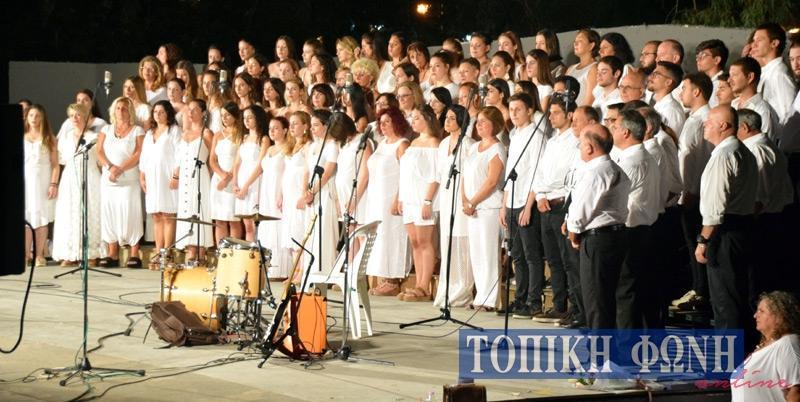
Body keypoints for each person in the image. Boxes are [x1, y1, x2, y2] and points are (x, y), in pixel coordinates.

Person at [695, 106, 758, 335]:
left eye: (710, 121)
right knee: (737, 296)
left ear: (723, 125)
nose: (705, 124)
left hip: (725, 233)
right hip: (742, 228)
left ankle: (729, 354)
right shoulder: (743, 151)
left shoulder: (723, 156)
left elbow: (715, 208)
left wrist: (703, 241)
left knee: (725, 300)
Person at [565, 123, 630, 330]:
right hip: (615, 236)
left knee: (596, 300)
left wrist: (573, 235)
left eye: (580, 143)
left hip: (598, 240)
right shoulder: (615, 169)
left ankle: (600, 350)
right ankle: (610, 349)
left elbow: (580, 212)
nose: (579, 148)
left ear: (590, 147)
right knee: (607, 298)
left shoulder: (595, 173)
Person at [610, 110, 662, 328]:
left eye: (615, 126)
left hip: (631, 230)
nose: (611, 130)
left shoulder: (631, 162)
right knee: (639, 290)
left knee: (625, 291)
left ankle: (625, 344)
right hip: (645, 228)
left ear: (626, 132)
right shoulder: (645, 157)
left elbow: (614, 198)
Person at [499, 93, 548, 319]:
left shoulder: (536, 136)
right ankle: (520, 298)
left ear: (530, 111)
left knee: (531, 255)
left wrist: (528, 206)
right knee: (517, 254)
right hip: (512, 200)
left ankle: (533, 301)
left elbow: (538, 173)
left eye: (518, 109)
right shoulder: (514, 134)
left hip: (527, 202)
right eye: (511, 109)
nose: (514, 113)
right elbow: (511, 172)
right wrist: (504, 204)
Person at [736, 109, 794, 299]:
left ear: (744, 127)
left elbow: (759, 195)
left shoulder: (757, 150)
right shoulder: (762, 146)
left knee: (759, 277)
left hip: (764, 221)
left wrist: (747, 223)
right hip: (767, 220)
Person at [672, 73, 714, 310]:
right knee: (690, 244)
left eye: (685, 88)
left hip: (695, 193)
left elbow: (700, 159)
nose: (681, 93)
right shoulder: (694, 118)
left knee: (696, 243)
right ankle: (698, 288)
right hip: (688, 191)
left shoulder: (703, 120)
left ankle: (701, 292)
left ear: (697, 91)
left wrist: (691, 190)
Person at [462, 106, 506, 312]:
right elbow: (465, 175)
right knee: (477, 253)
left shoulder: (497, 149)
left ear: (494, 125)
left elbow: (491, 181)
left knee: (488, 253)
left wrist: (473, 202)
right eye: (477, 121)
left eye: (483, 122)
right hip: (472, 207)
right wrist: (465, 200)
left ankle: (490, 299)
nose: (478, 125)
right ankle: (480, 294)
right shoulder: (473, 147)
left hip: (488, 207)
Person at [366, 107, 412, 296]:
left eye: (387, 122)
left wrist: (398, 198)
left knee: (391, 235)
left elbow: (405, 174)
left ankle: (392, 279)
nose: (383, 126)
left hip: (391, 197)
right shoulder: (382, 144)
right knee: (379, 236)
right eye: (381, 122)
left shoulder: (402, 145)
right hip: (376, 196)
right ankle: (383, 277)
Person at [397, 106, 441, 302]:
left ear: (427, 119)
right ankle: (418, 284)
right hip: (409, 199)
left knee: (425, 241)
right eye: (412, 118)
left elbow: (436, 175)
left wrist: (427, 200)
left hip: (423, 198)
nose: (412, 122)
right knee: (415, 242)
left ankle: (424, 285)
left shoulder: (433, 143)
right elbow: (405, 174)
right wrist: (400, 198)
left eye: (416, 118)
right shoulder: (413, 143)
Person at [433, 105, 475, 308]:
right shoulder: (443, 144)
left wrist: (466, 198)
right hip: (446, 197)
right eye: (446, 118)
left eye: (452, 118)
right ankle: (447, 288)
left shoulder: (468, 144)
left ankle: (462, 290)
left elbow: (470, 174)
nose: (447, 121)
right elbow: (439, 174)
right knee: (448, 241)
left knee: (462, 241)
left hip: (462, 196)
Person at [96, 97, 145, 268]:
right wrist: (110, 167)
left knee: (131, 213)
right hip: (109, 179)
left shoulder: (137, 130)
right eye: (118, 108)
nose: (121, 111)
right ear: (113, 110)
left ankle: (134, 253)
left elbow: (139, 153)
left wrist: (121, 169)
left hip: (129, 180)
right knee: (109, 213)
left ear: (130, 111)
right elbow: (99, 151)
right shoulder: (106, 129)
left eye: (124, 108)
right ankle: (112, 253)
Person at [52, 104, 103, 266]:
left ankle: (91, 253)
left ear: (86, 117)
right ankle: (71, 253)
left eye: (78, 115)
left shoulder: (94, 137)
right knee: (70, 214)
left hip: (90, 176)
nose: (75, 118)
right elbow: (61, 159)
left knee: (89, 212)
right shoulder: (66, 137)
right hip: (70, 178)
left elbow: (99, 160)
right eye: (72, 115)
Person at [730, 291, 800, 402]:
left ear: (780, 315)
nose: (755, 316)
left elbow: (796, 392)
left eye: (761, 311)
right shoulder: (762, 348)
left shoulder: (787, 343)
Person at [139, 101, 180, 269]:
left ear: (168, 113)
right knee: (156, 215)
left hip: (167, 176)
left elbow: (179, 154)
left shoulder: (174, 131)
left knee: (167, 214)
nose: (158, 114)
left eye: (161, 111)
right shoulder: (150, 133)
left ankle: (167, 253)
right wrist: (142, 176)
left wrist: (176, 175)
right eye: (155, 111)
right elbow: (144, 157)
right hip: (152, 178)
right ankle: (158, 251)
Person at [174, 100, 214, 263]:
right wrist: (176, 175)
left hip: (200, 175)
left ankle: (201, 251)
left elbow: (212, 159)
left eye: (194, 110)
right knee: (186, 208)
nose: (190, 113)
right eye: (188, 110)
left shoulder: (207, 133)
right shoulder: (184, 134)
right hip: (185, 176)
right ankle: (190, 249)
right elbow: (180, 159)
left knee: (199, 208)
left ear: (203, 113)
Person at [302, 110, 340, 278]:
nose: (312, 129)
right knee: (311, 231)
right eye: (311, 126)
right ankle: (311, 270)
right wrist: (305, 191)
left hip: (324, 192)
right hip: (312, 193)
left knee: (324, 230)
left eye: (316, 125)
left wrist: (313, 191)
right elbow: (306, 171)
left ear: (326, 126)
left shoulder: (332, 145)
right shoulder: (312, 146)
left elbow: (328, 172)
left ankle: (325, 270)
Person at [258, 116, 293, 279]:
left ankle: (281, 268)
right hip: (267, 191)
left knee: (278, 225)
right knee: (267, 226)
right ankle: (268, 265)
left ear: (285, 130)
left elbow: (288, 173)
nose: (272, 131)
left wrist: (282, 194)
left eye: (276, 128)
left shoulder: (288, 148)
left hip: (279, 190)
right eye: (270, 128)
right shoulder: (270, 149)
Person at [23, 105, 58, 267]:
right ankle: (25, 254)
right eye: (31, 115)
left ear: (42, 118)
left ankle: (39, 255)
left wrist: (53, 184)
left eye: (37, 116)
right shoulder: (21, 137)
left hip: (43, 182)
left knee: (42, 218)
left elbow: (55, 165)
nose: (34, 119)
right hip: (26, 182)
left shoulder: (49, 138)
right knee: (26, 218)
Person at [233, 105, 271, 241]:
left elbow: (260, 166)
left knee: (255, 224)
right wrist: (235, 183)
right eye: (244, 118)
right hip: (242, 181)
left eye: (250, 117)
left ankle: (257, 251)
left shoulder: (264, 139)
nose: (246, 121)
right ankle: (249, 251)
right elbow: (237, 163)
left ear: (257, 119)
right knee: (247, 225)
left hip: (255, 182)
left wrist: (246, 187)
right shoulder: (244, 138)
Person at [750, 23, 796, 134]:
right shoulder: (766, 71)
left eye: (759, 40)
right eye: (753, 40)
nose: (753, 45)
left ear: (774, 43)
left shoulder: (779, 73)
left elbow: (790, 114)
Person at [282, 111, 313, 280]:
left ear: (305, 126)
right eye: (291, 123)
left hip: (298, 194)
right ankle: (295, 271)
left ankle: (302, 271)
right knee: (292, 232)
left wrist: (303, 193)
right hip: (289, 194)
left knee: (299, 231)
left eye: (295, 123)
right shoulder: (291, 146)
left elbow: (308, 171)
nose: (292, 127)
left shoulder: (308, 147)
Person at [209, 102, 243, 242]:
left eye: (227, 115)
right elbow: (212, 160)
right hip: (218, 179)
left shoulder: (241, 135)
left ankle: (234, 251)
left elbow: (239, 160)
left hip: (233, 179)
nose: (224, 118)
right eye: (222, 115)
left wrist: (227, 178)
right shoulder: (217, 135)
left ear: (235, 116)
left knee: (233, 219)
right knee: (219, 220)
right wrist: (221, 176)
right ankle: (221, 251)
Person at [730, 57, 779, 142]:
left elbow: (764, 143)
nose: (729, 80)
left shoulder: (763, 110)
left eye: (734, 75)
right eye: (730, 76)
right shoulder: (733, 105)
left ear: (750, 77)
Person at [647, 61, 686, 134]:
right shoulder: (659, 104)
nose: (650, 77)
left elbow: (670, 140)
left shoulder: (671, 110)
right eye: (652, 73)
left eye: (656, 74)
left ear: (668, 82)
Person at [566, 29, 599, 106]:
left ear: (591, 45)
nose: (575, 43)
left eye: (580, 41)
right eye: (575, 41)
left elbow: (590, 100)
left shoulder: (594, 68)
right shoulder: (571, 69)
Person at [695, 39, 729, 108]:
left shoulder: (722, 83)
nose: (698, 59)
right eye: (697, 56)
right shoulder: (701, 82)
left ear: (716, 60)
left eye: (703, 55)